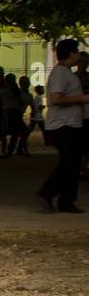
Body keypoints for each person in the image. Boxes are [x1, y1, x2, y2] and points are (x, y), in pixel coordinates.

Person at [35, 38, 89, 214]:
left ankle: (67, 201)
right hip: (62, 126)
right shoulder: (60, 73)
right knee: (68, 162)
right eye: (77, 52)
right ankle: (46, 192)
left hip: (73, 124)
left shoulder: (68, 73)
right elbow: (56, 98)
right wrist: (82, 99)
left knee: (73, 163)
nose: (79, 56)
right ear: (71, 53)